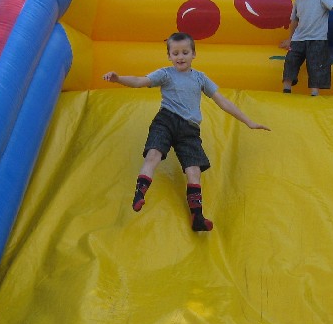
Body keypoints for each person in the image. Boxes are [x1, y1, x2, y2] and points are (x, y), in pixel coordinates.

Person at [103, 32, 269, 232]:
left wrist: (249, 121)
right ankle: (139, 194)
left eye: (185, 52)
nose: (180, 57)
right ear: (169, 56)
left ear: (193, 54)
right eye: (175, 53)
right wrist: (118, 78)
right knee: (153, 154)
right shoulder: (165, 74)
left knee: (194, 171)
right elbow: (139, 81)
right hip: (166, 120)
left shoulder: (200, 78)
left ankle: (197, 217)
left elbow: (222, 101)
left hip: (189, 129)